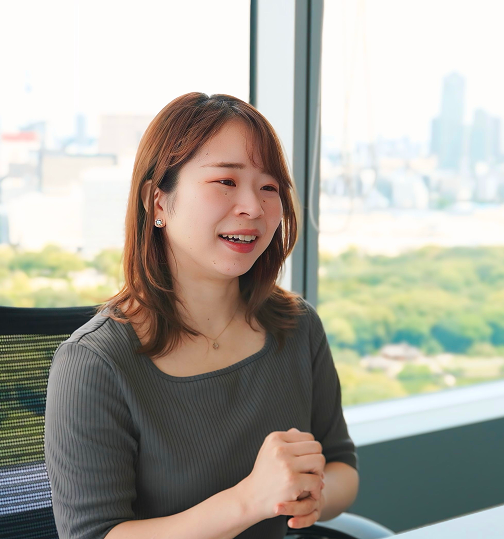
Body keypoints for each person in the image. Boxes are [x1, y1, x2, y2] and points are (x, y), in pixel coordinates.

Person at [44, 92, 359, 539]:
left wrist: (311, 496)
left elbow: (341, 466)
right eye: (225, 181)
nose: (253, 207)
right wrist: (249, 500)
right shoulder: (94, 363)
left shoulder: (297, 325)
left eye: (269, 187)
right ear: (157, 202)